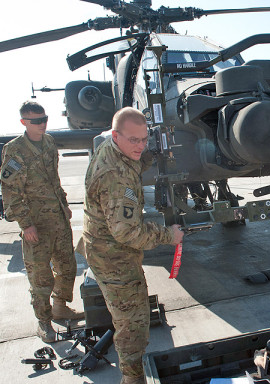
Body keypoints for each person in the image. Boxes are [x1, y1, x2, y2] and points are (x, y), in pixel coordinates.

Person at [83, 107, 184, 384]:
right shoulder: (116, 177)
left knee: (127, 319)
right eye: (133, 140)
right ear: (116, 136)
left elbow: (135, 157)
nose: (140, 146)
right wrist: (168, 235)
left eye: (144, 139)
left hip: (104, 247)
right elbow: (127, 233)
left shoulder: (112, 148)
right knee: (133, 325)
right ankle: (132, 378)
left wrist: (148, 153)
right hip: (114, 257)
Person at [0, 101, 83, 343]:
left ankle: (60, 307)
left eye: (44, 119)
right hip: (36, 223)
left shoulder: (48, 142)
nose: (42, 124)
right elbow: (10, 191)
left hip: (57, 218)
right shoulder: (15, 150)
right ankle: (44, 323)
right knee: (41, 277)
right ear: (23, 122)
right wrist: (26, 225)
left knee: (68, 266)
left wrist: (64, 204)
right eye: (36, 121)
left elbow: (54, 179)